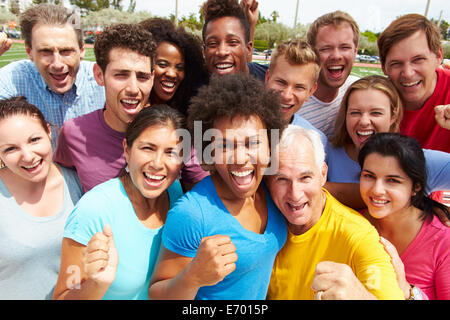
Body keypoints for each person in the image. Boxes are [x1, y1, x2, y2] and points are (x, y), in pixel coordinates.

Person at [148, 73, 287, 300]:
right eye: (224, 145)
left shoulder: (273, 191)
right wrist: (192, 276)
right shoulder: (192, 214)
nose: (240, 158)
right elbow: (156, 295)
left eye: (253, 143)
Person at [52, 105, 185, 300]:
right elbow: (62, 296)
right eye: (148, 148)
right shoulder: (93, 211)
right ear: (127, 150)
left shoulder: (174, 191)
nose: (157, 163)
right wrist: (97, 284)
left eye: (171, 153)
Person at [265, 125, 404, 300]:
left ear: (323, 175)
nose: (295, 193)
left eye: (305, 178)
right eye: (282, 179)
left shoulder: (358, 236)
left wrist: (360, 297)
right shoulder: (259, 216)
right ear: (268, 181)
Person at [53, 23, 155, 193]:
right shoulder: (73, 134)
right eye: (121, 75)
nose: (133, 88)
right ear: (99, 75)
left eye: (142, 77)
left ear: (152, 78)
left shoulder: (168, 133)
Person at [0, 96, 82, 299]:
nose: (28, 156)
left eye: (34, 140)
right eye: (11, 149)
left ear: (48, 131)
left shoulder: (79, 182)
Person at [358, 133, 450, 299]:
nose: (377, 189)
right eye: (369, 176)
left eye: (392, 180)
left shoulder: (443, 242)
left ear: (416, 187)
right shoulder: (350, 225)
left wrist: (407, 291)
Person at [328, 75, 450, 200]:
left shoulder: (417, 160)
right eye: (355, 112)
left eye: (376, 113)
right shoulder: (326, 154)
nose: (364, 121)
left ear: (393, 116)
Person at [0, 4, 105, 145]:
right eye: (46, 52)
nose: (57, 64)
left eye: (66, 51)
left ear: (81, 49)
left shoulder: (103, 81)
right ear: (29, 51)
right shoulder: (12, 79)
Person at [139, 18, 210, 191]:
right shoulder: (130, 107)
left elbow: (196, 177)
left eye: (179, 67)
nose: (172, 73)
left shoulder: (186, 116)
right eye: (162, 64)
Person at [377, 14, 450, 153]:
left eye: (418, 59)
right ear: (384, 67)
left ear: (438, 56)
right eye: (396, 63)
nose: (408, 73)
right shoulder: (375, 101)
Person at [296, 10, 360, 137]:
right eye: (326, 48)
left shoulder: (357, 90)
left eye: (345, 47)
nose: (336, 56)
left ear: (355, 51)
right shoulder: (293, 101)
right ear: (312, 53)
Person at [264, 38, 327, 147]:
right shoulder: (237, 124)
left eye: (299, 87)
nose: (287, 95)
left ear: (311, 91)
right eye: (281, 82)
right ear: (267, 78)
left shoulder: (316, 141)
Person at [201, 0, 266, 81]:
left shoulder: (270, 79)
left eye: (232, 42)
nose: (222, 52)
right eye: (213, 43)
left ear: (249, 48)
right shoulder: (193, 87)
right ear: (204, 51)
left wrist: (251, 25)